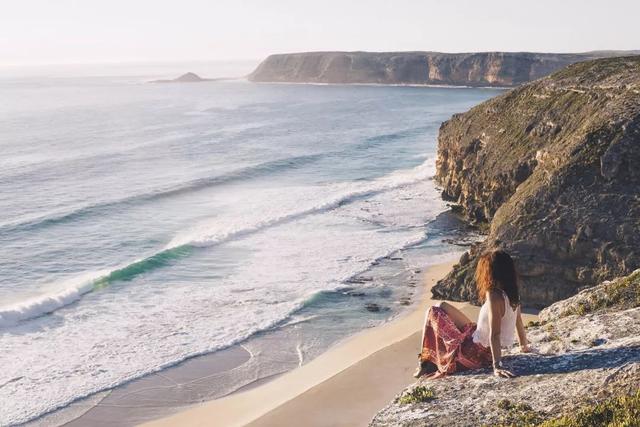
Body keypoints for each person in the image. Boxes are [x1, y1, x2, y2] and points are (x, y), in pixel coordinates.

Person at [414, 250, 530, 379]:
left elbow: (495, 334)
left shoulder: (494, 295)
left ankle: (425, 362)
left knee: (432, 311)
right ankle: (426, 361)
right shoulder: (513, 293)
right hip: (482, 342)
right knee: (441, 305)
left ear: (491, 272)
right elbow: (518, 321)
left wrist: (497, 366)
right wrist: (523, 346)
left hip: (475, 352)